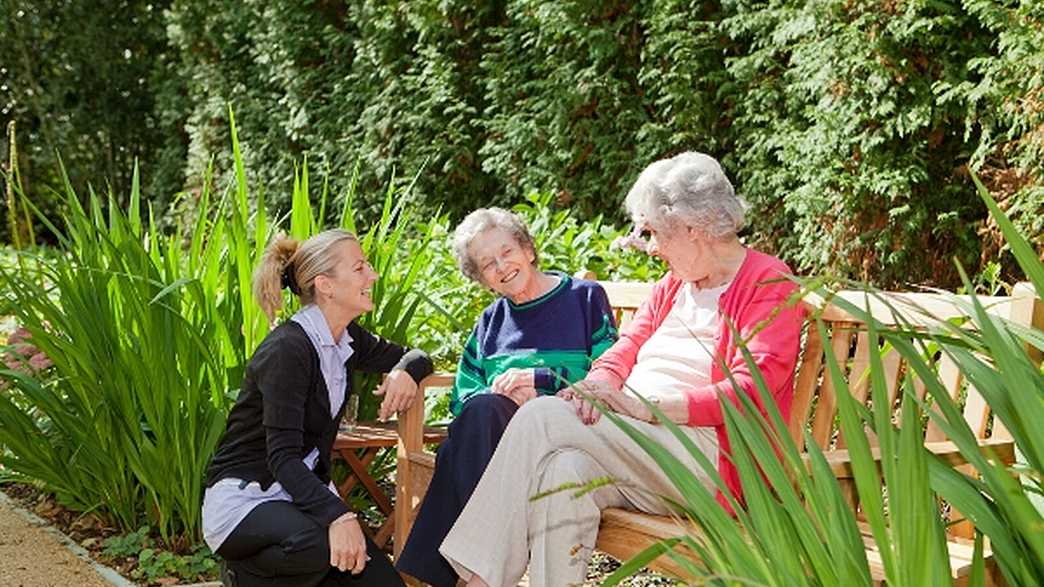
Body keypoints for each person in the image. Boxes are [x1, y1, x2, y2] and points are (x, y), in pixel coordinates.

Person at [437, 152, 805, 586]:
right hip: (640, 446)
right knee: (563, 473)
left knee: (540, 416)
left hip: (708, 456)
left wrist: (649, 408)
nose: (650, 246)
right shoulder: (675, 285)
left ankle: (476, 580)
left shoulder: (767, 281)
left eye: (654, 233)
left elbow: (751, 391)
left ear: (691, 229)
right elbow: (625, 347)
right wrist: (597, 385)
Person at [395, 208, 618, 587]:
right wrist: (505, 398)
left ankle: (458, 576)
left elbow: (610, 372)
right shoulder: (491, 321)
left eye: (507, 252)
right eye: (488, 264)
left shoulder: (584, 298)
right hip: (497, 444)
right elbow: (463, 398)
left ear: (528, 250)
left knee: (470, 435)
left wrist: (541, 381)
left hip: (569, 439)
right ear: (484, 281)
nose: (502, 266)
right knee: (482, 412)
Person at [202, 229, 433, 587]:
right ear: (325, 285)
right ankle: (242, 574)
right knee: (318, 546)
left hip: (302, 496)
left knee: (384, 583)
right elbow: (282, 458)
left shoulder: (348, 338)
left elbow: (417, 355)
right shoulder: (287, 350)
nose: (372, 275)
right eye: (359, 268)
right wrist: (339, 517)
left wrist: (405, 371)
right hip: (247, 499)